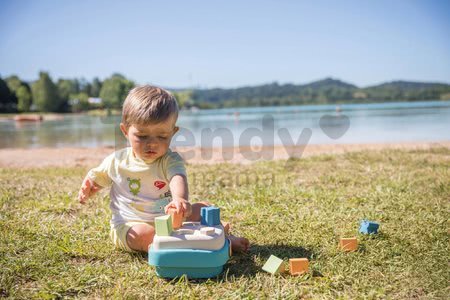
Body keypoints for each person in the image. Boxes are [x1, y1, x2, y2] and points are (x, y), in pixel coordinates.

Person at [78, 85, 249, 253]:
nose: (152, 143)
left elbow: (177, 178)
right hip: (130, 224)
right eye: (142, 136)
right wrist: (89, 187)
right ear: (125, 131)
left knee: (204, 208)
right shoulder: (116, 161)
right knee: (143, 235)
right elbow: (97, 179)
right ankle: (192, 243)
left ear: (173, 132)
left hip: (170, 219)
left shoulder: (169, 160)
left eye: (162, 136)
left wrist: (180, 201)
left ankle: (223, 239)